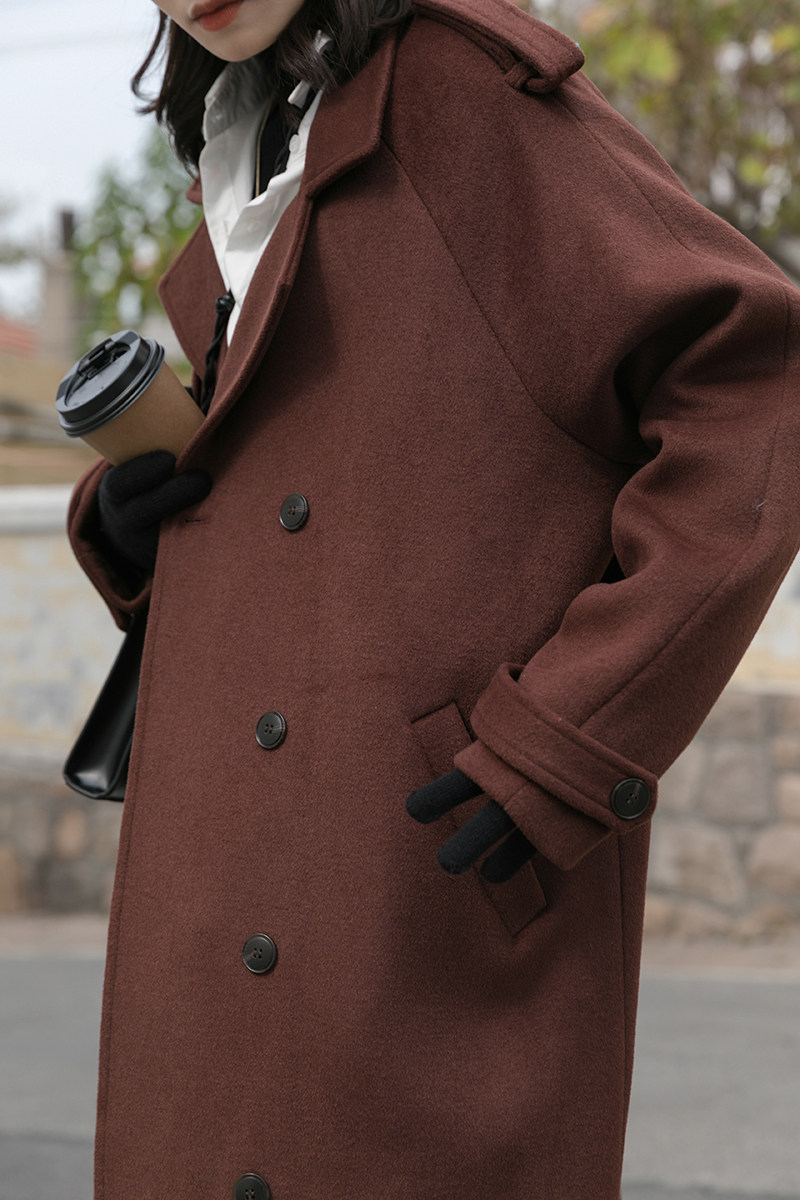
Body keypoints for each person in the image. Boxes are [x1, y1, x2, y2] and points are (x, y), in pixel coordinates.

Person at [66, 0, 800, 1196]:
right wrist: (129, 516)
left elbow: (757, 385)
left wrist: (568, 735)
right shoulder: (249, 138)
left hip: (406, 890)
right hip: (217, 888)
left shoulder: (463, 93)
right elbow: (334, 467)